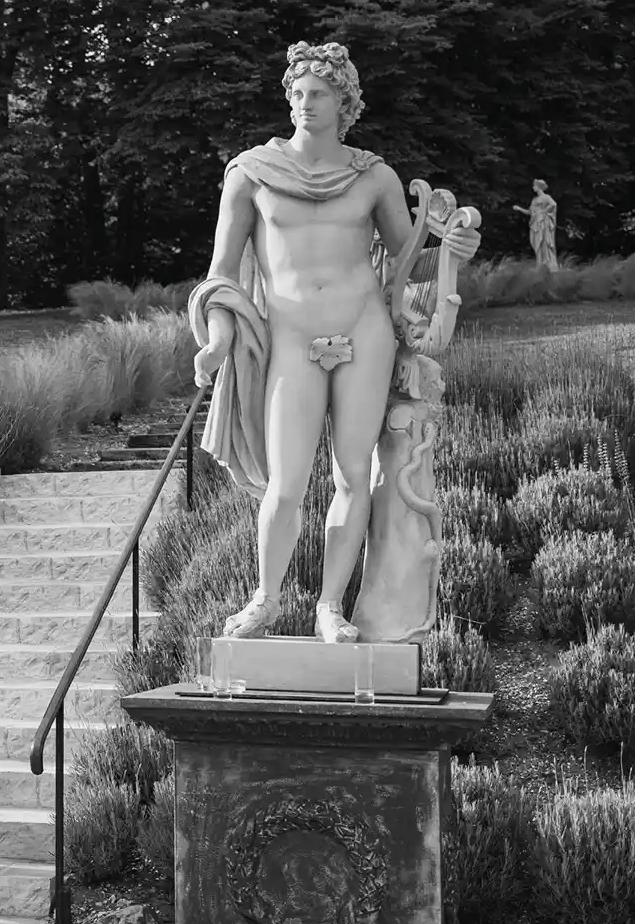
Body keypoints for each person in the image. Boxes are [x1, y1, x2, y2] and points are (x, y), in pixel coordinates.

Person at [190, 42, 478, 643]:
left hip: (364, 331)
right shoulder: (250, 174)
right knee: (286, 482)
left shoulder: (373, 176)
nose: (304, 104)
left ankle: (330, 606)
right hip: (291, 338)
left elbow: (409, 261)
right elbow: (221, 272)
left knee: (352, 473)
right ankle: (265, 599)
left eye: (318, 93)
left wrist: (452, 250)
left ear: (344, 101)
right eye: (296, 93)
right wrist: (218, 340)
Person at [513, 179, 559, 272]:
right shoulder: (534, 200)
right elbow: (530, 212)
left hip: (542, 223)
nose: (533, 188)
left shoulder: (546, 197)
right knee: (537, 243)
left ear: (539, 187)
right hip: (535, 224)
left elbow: (553, 204)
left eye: (534, 186)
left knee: (544, 242)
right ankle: (540, 264)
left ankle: (548, 264)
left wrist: (542, 212)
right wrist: (519, 209)